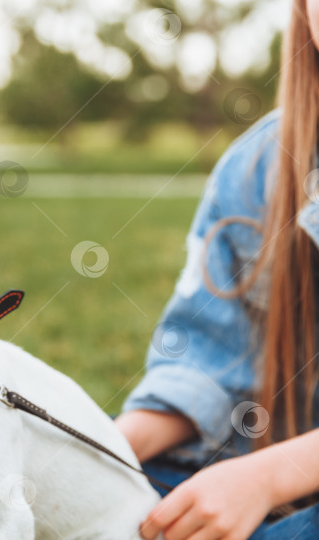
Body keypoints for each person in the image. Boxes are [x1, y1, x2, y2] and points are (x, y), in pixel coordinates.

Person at [115, 1, 319, 539]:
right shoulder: (257, 166)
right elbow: (213, 366)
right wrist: (108, 447)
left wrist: (267, 479)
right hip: (269, 463)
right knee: (120, 504)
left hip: (281, 476)